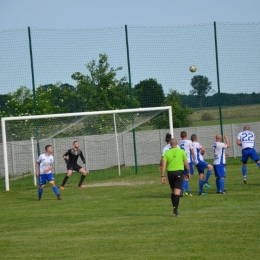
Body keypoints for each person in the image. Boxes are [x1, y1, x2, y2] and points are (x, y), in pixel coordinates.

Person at [161, 138, 190, 217]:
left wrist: (162, 175)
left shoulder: (167, 152)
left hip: (170, 173)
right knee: (177, 192)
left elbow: (163, 164)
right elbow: (186, 164)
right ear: (177, 144)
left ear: (170, 144)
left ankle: (174, 208)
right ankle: (175, 210)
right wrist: (189, 172)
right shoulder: (182, 152)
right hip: (178, 172)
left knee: (172, 191)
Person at [179, 131, 194, 196]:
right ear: (186, 135)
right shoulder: (189, 142)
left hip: (182, 161)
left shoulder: (179, 142)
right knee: (188, 176)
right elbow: (192, 151)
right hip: (188, 160)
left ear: (181, 136)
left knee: (184, 177)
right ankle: (181, 191)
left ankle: (188, 191)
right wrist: (193, 159)